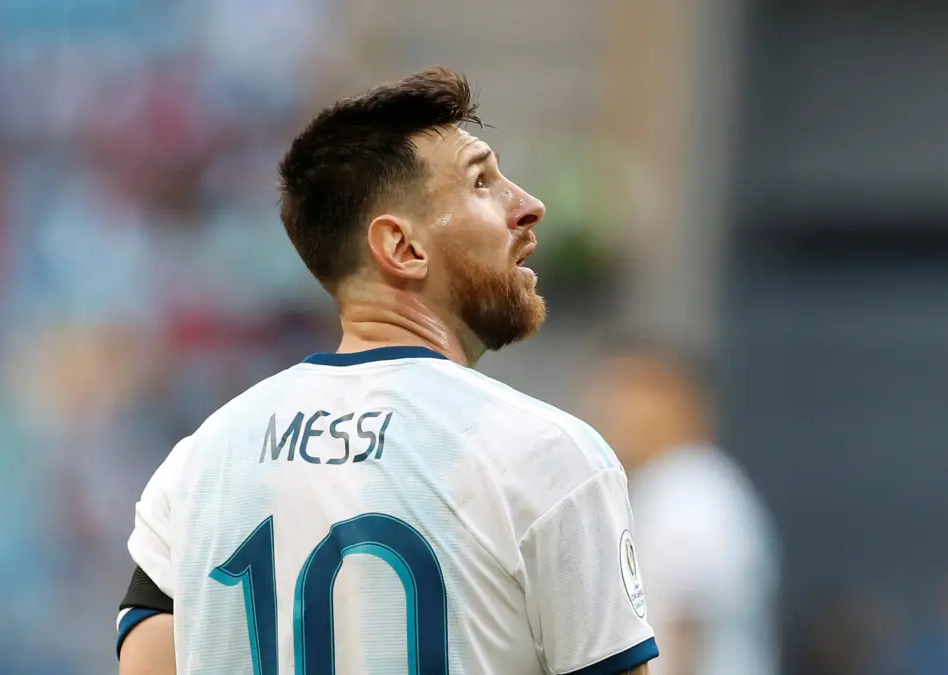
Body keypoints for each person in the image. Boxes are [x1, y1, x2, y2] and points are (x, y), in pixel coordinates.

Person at [116, 68, 658, 675]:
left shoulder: (200, 464)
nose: (529, 206)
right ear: (402, 247)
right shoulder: (547, 457)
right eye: (483, 182)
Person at [584, 344, 779, 675]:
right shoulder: (674, 485)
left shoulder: (687, 489)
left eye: (637, 392)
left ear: (686, 403)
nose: (617, 410)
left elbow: (685, 631)